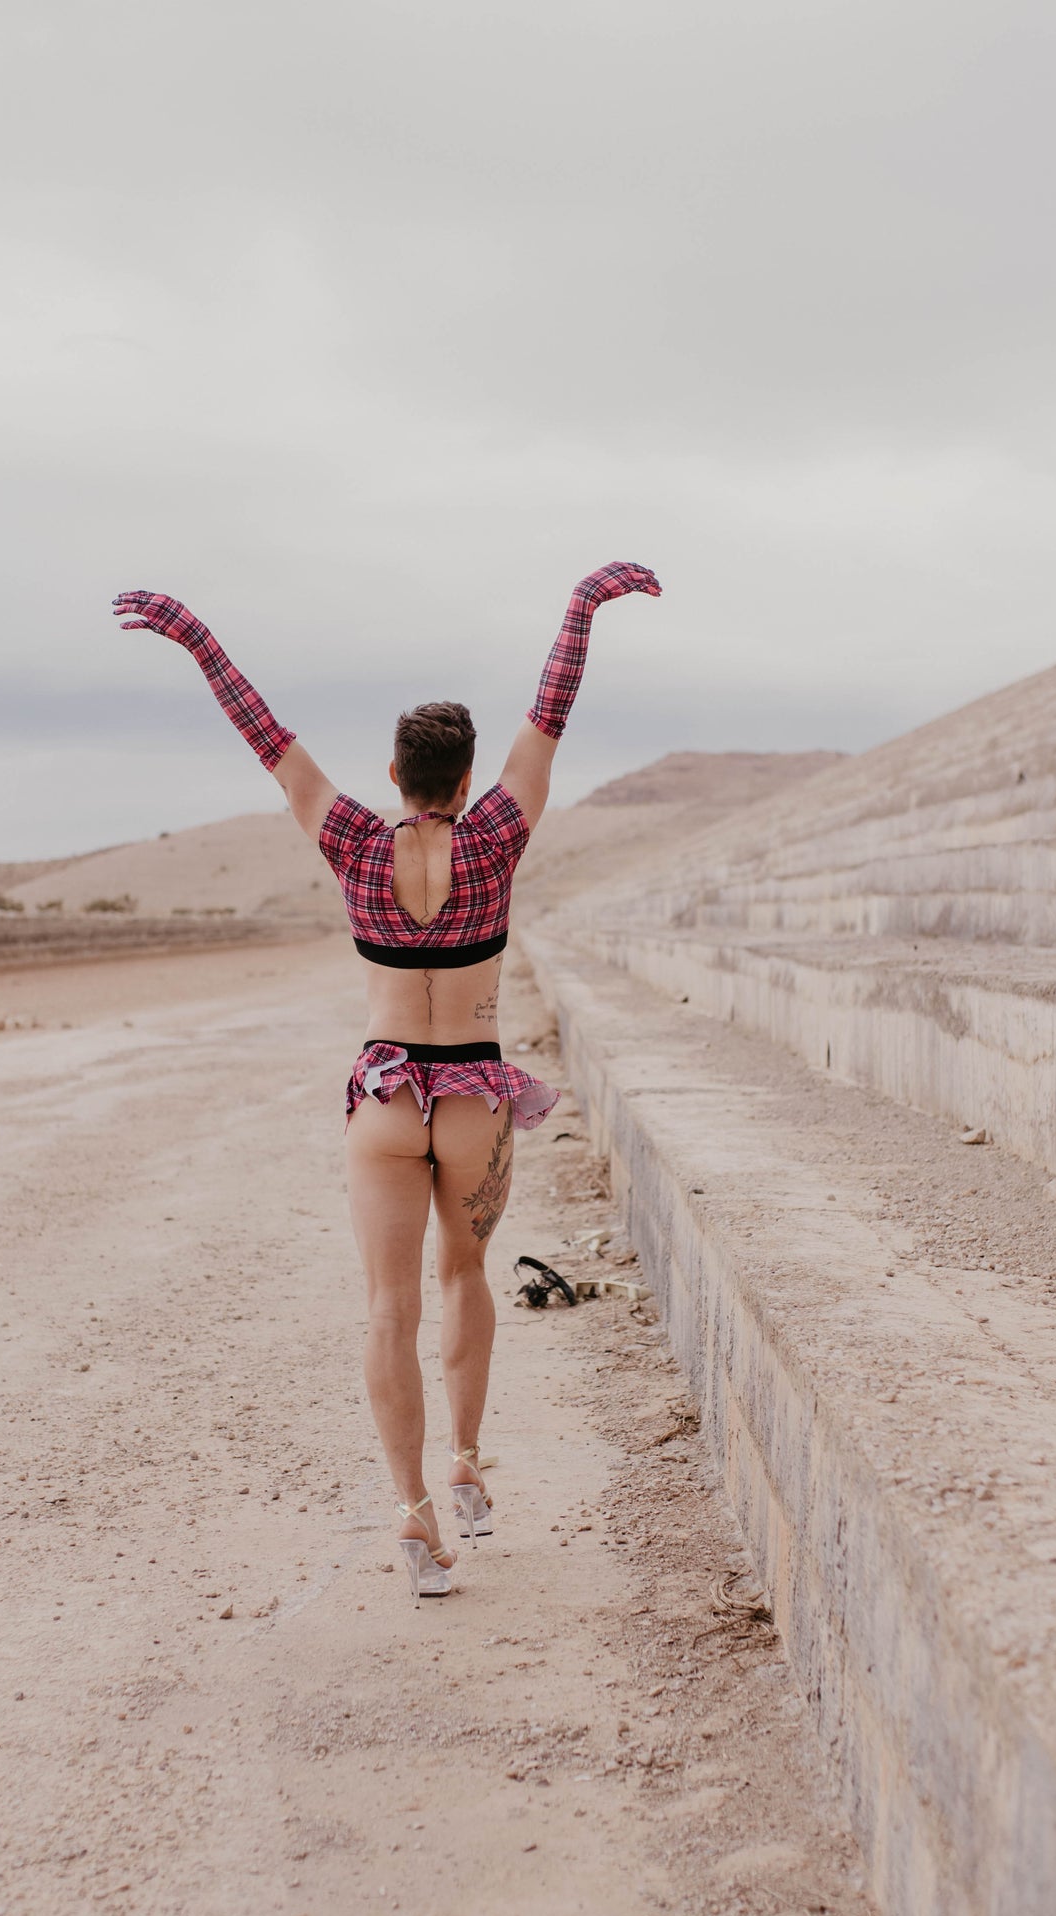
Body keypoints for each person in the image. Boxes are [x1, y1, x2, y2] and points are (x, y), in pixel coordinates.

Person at [112, 563, 662, 1603]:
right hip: (470, 1097)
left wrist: (193, 635)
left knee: (385, 1307)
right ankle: (464, 1462)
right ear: (465, 777)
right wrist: (581, 606)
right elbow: (549, 715)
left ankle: (412, 1514)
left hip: (383, 1099)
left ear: (395, 772)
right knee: (464, 1276)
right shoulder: (495, 837)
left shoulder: (355, 844)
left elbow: (266, 738)